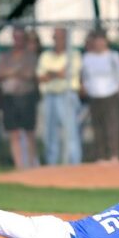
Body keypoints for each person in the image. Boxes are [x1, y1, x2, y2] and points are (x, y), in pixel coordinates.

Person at [36, 27, 82, 165]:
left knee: (70, 132)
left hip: (67, 95)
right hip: (50, 96)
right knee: (50, 133)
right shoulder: (46, 56)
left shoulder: (73, 54)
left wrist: (51, 74)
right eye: (55, 37)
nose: (57, 40)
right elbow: (41, 77)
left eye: (60, 37)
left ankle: (74, 164)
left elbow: (66, 74)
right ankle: (51, 165)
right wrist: (56, 73)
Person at [81, 30, 119, 164]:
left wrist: (117, 89)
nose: (99, 43)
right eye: (97, 40)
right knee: (97, 126)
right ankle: (100, 156)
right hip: (94, 95)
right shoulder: (87, 57)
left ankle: (114, 155)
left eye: (102, 40)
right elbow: (84, 77)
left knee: (112, 125)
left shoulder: (113, 56)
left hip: (111, 94)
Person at [0, 26, 38, 169]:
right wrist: (16, 71)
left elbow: (29, 74)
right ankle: (19, 166)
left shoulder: (30, 56)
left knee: (29, 132)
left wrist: (10, 72)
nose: (18, 40)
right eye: (16, 37)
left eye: (21, 37)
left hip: (26, 97)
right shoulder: (6, 56)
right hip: (10, 98)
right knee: (13, 132)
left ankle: (31, 165)